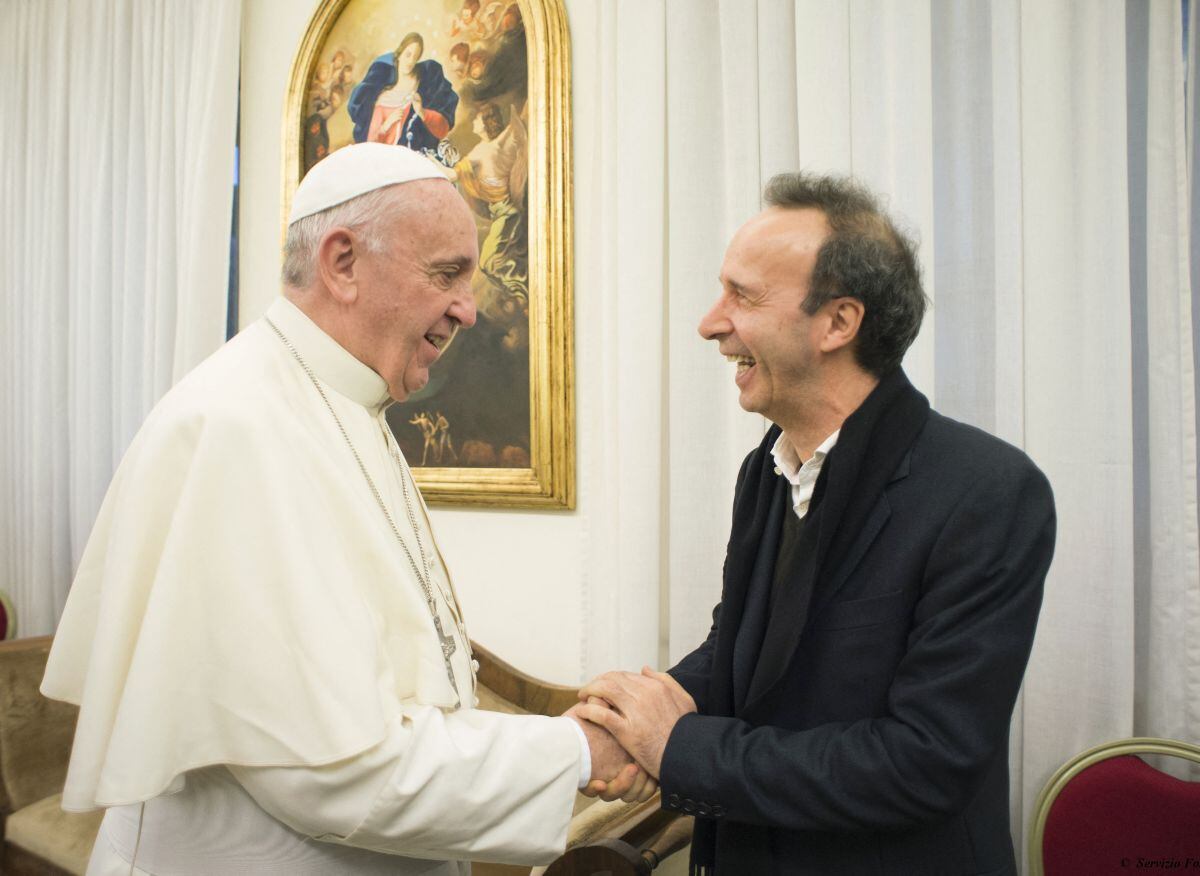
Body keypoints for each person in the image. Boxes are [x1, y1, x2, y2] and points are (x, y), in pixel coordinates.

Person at [42, 143, 651, 876]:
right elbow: (330, 772)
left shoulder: (343, 402)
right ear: (341, 263)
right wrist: (576, 750)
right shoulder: (239, 428)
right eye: (447, 274)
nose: (468, 308)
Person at [575, 172, 1056, 874]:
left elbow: (924, 761)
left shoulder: (988, 492)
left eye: (742, 295)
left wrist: (676, 748)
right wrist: (630, 717)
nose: (710, 323)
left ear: (838, 323)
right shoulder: (766, 468)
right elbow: (743, 649)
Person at [348, 32, 458, 155]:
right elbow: (370, 144)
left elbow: (442, 130)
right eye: (408, 55)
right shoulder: (384, 98)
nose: (410, 61)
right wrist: (387, 124)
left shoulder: (424, 86)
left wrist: (422, 112)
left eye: (415, 57)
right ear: (399, 54)